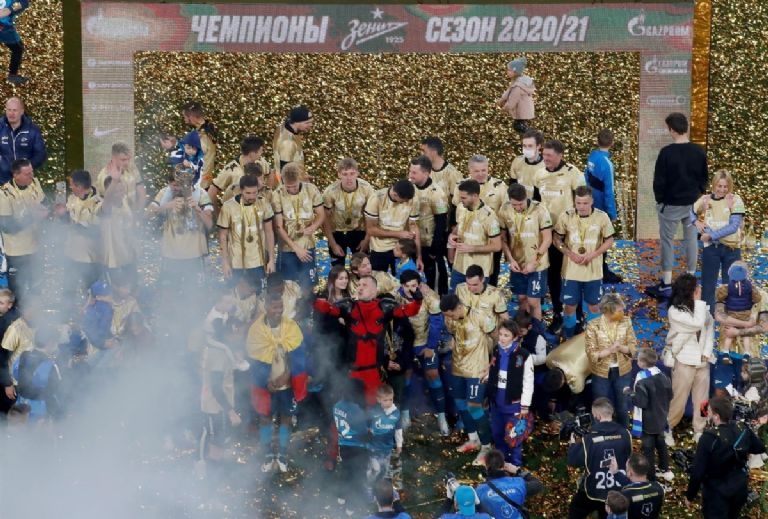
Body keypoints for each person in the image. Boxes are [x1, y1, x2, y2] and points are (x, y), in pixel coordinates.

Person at [314, 275, 422, 405]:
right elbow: (328, 309)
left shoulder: (385, 306)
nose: (359, 288)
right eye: (358, 285)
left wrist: (418, 301)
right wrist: (314, 299)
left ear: (374, 290)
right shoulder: (348, 306)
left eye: (364, 285)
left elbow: (408, 311)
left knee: (374, 408)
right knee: (354, 408)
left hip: (376, 372)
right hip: (353, 372)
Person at [646, 113, 707, 300]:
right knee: (691, 240)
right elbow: (703, 178)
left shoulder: (666, 152)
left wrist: (660, 200)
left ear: (671, 129)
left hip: (671, 204)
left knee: (667, 241)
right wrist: (697, 195)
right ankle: (690, 280)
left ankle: (666, 283)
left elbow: (659, 181)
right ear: (685, 127)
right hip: (692, 204)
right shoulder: (698, 151)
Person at [247, 292, 308, 473]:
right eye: (275, 307)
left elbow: (298, 357)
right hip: (265, 385)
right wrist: (266, 380)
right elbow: (253, 360)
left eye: (281, 306)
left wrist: (287, 376)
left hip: (287, 384)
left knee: (286, 419)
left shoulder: (291, 327)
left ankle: (282, 453)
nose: (279, 310)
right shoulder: (256, 330)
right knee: (265, 418)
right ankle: (268, 454)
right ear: (266, 307)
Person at [533, 139, 586, 333]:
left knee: (572, 276)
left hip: (569, 234)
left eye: (549, 155)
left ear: (560, 155)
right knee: (553, 276)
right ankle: (557, 314)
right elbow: (536, 203)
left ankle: (577, 315)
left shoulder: (574, 174)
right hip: (548, 234)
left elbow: (583, 204)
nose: (545, 158)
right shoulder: (539, 174)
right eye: (544, 155)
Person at [685, 395, 766, 518]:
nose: (707, 413)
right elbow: (759, 447)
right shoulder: (742, 428)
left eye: (709, 411)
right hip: (739, 488)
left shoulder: (709, 437)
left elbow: (697, 472)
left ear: (716, 416)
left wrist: (690, 495)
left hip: (717, 493)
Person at [441, 293, 496, 465]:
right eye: (446, 316)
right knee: (460, 403)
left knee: (474, 406)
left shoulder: (480, 317)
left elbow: (496, 337)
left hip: (477, 369)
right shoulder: (449, 318)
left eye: (451, 314)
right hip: (458, 367)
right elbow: (453, 333)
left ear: (459, 307)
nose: (449, 318)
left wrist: (493, 361)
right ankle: (473, 439)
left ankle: (487, 447)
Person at [554, 186, 615, 338]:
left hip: (593, 271)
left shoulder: (602, 217)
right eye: (578, 203)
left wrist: (594, 254)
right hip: (571, 270)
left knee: (594, 306)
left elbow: (609, 240)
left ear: (592, 201)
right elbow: (557, 239)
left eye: (585, 203)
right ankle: (568, 337)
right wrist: (569, 253)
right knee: (570, 306)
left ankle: (592, 338)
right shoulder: (566, 216)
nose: (581, 207)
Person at [665, 273, 713, 445]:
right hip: (684, 361)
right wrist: (699, 302)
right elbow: (697, 324)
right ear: (689, 290)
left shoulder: (702, 307)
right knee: (679, 399)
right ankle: (668, 427)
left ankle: (700, 429)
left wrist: (707, 351)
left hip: (703, 361)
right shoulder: (675, 311)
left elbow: (709, 329)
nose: (700, 288)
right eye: (696, 286)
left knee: (703, 400)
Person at [147, 169, 214, 289]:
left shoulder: (200, 194)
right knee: (168, 290)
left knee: (195, 291)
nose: (176, 189)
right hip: (170, 253)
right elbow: (148, 213)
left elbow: (209, 224)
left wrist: (198, 209)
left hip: (194, 254)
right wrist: (167, 206)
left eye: (179, 185)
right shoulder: (165, 193)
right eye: (173, 185)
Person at [567, 398, 633, 519]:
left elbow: (573, 461)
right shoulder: (626, 434)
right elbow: (629, 458)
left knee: (575, 510)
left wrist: (573, 445)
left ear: (597, 416)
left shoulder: (589, 438)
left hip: (594, 490)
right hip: (617, 490)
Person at [692, 170, 745, 312]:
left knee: (733, 284)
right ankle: (707, 316)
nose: (722, 189)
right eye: (719, 186)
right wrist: (696, 222)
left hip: (732, 249)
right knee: (708, 285)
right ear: (714, 184)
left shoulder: (736, 200)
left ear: (730, 186)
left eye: (725, 186)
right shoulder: (705, 199)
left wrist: (711, 235)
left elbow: (734, 226)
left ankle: (731, 315)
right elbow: (690, 211)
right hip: (711, 249)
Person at [499, 182, 552, 320]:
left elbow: (547, 239)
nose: (517, 208)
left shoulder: (540, 210)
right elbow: (503, 239)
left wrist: (534, 262)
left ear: (526, 197)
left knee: (533, 301)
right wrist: (510, 260)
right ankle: (524, 328)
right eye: (514, 205)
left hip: (537, 264)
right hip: (517, 263)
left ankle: (537, 330)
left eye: (520, 204)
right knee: (522, 298)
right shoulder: (504, 210)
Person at [452, 156, 507, 286]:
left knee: (491, 269)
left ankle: (489, 291)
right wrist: (453, 233)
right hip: (468, 234)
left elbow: (506, 212)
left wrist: (503, 233)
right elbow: (457, 209)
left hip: (492, 234)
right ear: (470, 170)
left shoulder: (500, 186)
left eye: (484, 170)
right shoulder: (461, 186)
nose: (481, 174)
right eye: (477, 171)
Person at [584, 293, 636, 427]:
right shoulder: (593, 326)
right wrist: (609, 351)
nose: (623, 313)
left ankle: (624, 432)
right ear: (609, 311)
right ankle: (599, 432)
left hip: (623, 371)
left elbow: (633, 346)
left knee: (622, 405)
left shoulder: (626, 322)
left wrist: (622, 348)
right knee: (600, 405)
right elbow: (591, 353)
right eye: (620, 311)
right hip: (600, 373)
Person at [217, 173, 276, 291]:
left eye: (255, 192)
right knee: (236, 295)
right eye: (248, 193)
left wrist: (271, 260)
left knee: (260, 294)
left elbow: (269, 232)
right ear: (241, 190)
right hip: (236, 262)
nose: (252, 196)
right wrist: (225, 262)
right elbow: (223, 236)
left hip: (258, 261)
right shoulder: (228, 207)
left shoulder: (263, 203)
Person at [271, 162, 324, 291]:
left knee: (309, 285)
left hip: (307, 245)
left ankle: (309, 304)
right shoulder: (277, 194)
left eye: (294, 186)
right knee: (288, 286)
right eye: (288, 186)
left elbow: (321, 214)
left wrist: (313, 227)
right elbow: (279, 227)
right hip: (287, 247)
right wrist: (296, 248)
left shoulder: (311, 189)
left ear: (299, 179)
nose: (291, 190)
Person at [487, 319, 533, 467]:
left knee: (514, 438)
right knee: (498, 434)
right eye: (500, 334)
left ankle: (515, 466)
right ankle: (501, 465)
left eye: (506, 335)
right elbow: (493, 370)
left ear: (515, 337)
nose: (501, 338)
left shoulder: (524, 355)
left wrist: (525, 406)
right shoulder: (496, 350)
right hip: (497, 403)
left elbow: (528, 382)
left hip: (514, 406)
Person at [0, 158, 47, 297]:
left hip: (36, 246)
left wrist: (50, 210)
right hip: (17, 252)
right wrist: (32, 217)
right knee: (17, 290)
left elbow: (44, 202)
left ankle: (36, 310)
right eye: (27, 174)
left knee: (37, 286)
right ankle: (15, 311)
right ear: (16, 175)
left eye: (32, 171)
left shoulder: (35, 183)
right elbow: (7, 227)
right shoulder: (4, 194)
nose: (32, 176)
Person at [626, 348, 673, 481]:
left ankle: (650, 476)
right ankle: (665, 469)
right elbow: (670, 395)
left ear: (641, 362)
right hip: (661, 417)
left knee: (648, 449)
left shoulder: (641, 379)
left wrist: (630, 394)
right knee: (661, 444)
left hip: (648, 421)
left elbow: (641, 402)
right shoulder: (663, 375)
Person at [55, 169, 102, 298]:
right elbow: (68, 221)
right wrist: (62, 215)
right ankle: (67, 310)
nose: (70, 187)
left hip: (90, 257)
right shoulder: (72, 199)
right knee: (68, 291)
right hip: (71, 254)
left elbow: (96, 232)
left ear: (80, 186)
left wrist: (75, 226)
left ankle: (90, 310)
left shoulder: (97, 203)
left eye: (72, 185)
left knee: (91, 293)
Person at [448, 180, 501, 289]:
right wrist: (452, 235)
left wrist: (471, 248)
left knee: (476, 299)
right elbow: (459, 225)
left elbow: (497, 246)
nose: (461, 200)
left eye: (464, 197)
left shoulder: (489, 216)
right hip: (459, 267)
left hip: (479, 271)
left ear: (475, 196)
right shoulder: (461, 208)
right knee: (454, 298)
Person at [585, 129, 622, 284]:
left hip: (590, 201)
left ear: (597, 141)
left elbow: (586, 177)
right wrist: (612, 214)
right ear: (612, 143)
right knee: (602, 238)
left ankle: (594, 267)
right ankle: (601, 271)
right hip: (600, 205)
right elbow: (609, 191)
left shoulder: (592, 156)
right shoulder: (607, 164)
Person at [321, 157, 374, 266]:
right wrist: (333, 243)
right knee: (337, 268)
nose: (349, 178)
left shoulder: (366, 188)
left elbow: (371, 216)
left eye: (352, 173)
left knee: (362, 266)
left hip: (359, 230)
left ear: (357, 173)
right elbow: (324, 219)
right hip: (338, 232)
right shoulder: (330, 191)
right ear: (339, 175)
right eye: (345, 174)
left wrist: (367, 239)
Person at [408, 154, 448, 290]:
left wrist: (435, 249)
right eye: (410, 171)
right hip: (412, 241)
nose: (410, 175)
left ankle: (439, 297)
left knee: (433, 277)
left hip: (429, 243)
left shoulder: (437, 193)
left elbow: (441, 223)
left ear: (425, 173)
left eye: (414, 172)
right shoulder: (409, 187)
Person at [365, 179, 421, 275]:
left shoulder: (412, 199)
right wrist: (398, 234)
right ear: (395, 195)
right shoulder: (376, 198)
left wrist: (419, 256)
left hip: (402, 247)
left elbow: (414, 227)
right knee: (378, 279)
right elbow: (371, 230)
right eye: (404, 201)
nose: (407, 202)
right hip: (380, 248)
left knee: (404, 279)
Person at [476, 448, 544, 518]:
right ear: (504, 465)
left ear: (486, 466)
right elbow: (538, 485)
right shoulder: (518, 483)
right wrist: (518, 471)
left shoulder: (480, 490)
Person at [208, 135, 272, 209]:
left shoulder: (261, 161)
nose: (262, 153)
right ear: (252, 153)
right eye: (261, 151)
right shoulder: (231, 170)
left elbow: (270, 173)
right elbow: (212, 190)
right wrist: (216, 212)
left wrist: (267, 193)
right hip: (234, 211)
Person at [716, 261, 760, 363]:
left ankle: (725, 353)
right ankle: (747, 353)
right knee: (746, 336)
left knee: (729, 335)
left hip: (731, 314)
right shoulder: (750, 287)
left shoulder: (726, 287)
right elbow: (757, 298)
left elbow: (719, 298)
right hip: (746, 314)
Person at [0, 98, 47, 183]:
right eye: (9, 110)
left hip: (26, 180)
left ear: (22, 111)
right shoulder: (1, 128)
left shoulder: (32, 130)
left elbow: (40, 154)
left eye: (15, 110)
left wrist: (25, 169)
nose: (11, 113)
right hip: (2, 180)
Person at [608, 453, 665, 519]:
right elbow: (637, 487)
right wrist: (616, 473)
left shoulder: (624, 496)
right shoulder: (658, 487)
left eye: (627, 468)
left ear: (630, 473)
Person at [96, 142, 147, 211]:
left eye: (128, 159)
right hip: (116, 216)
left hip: (134, 214)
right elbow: (106, 203)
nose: (127, 163)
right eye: (123, 160)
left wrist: (139, 212)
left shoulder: (132, 168)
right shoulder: (104, 176)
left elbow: (141, 192)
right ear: (114, 158)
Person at [368, 383, 403, 483]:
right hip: (373, 447)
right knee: (375, 469)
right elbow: (366, 426)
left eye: (391, 399)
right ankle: (369, 484)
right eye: (385, 400)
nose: (388, 403)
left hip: (387, 447)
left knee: (385, 469)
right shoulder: (372, 411)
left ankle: (381, 486)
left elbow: (398, 430)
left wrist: (399, 445)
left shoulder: (396, 413)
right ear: (378, 399)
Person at [181, 101, 218, 189]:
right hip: (206, 180)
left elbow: (199, 159)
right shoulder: (209, 128)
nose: (184, 119)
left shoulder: (202, 134)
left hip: (201, 184)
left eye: (185, 116)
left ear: (191, 117)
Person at [496, 57, 535, 134]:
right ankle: (529, 134)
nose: (507, 72)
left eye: (509, 70)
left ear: (515, 71)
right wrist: (501, 100)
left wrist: (504, 109)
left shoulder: (518, 86)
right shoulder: (517, 82)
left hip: (521, 112)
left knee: (519, 127)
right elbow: (508, 92)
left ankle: (529, 136)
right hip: (524, 111)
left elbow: (512, 101)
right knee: (519, 126)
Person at [273, 105, 313, 178]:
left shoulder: (284, 127)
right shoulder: (288, 143)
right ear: (297, 122)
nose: (311, 125)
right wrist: (301, 178)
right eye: (307, 123)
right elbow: (286, 174)